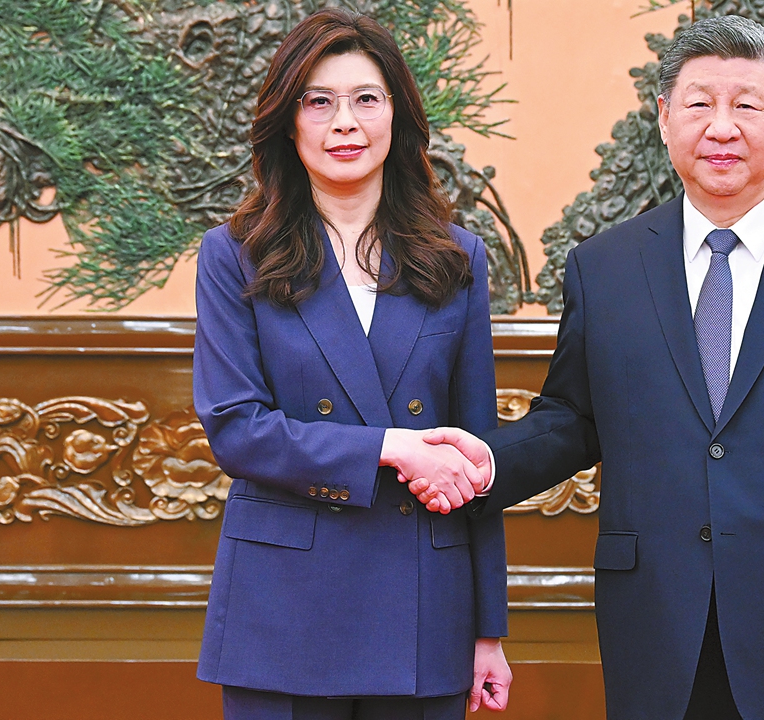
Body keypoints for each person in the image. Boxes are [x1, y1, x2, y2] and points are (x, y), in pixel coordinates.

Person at [414, 14, 764, 720]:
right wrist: (480, 460)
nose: (721, 127)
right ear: (664, 119)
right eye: (699, 104)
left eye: (746, 105)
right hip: (661, 619)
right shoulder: (604, 268)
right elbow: (571, 421)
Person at [191, 9, 510, 719]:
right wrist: (393, 447)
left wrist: (489, 628)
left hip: (426, 604)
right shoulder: (233, 253)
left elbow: (473, 447)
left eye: (367, 98)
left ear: (397, 115)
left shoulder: (457, 258)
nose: (345, 123)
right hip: (283, 607)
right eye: (319, 100)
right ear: (288, 120)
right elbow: (236, 429)